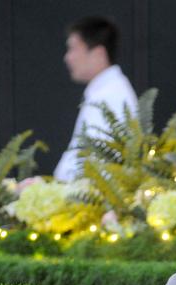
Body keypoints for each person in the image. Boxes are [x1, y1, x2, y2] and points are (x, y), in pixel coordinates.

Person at [54, 16, 137, 182]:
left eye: (73, 49)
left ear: (98, 53)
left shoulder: (112, 97)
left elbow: (97, 168)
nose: (68, 57)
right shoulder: (105, 92)